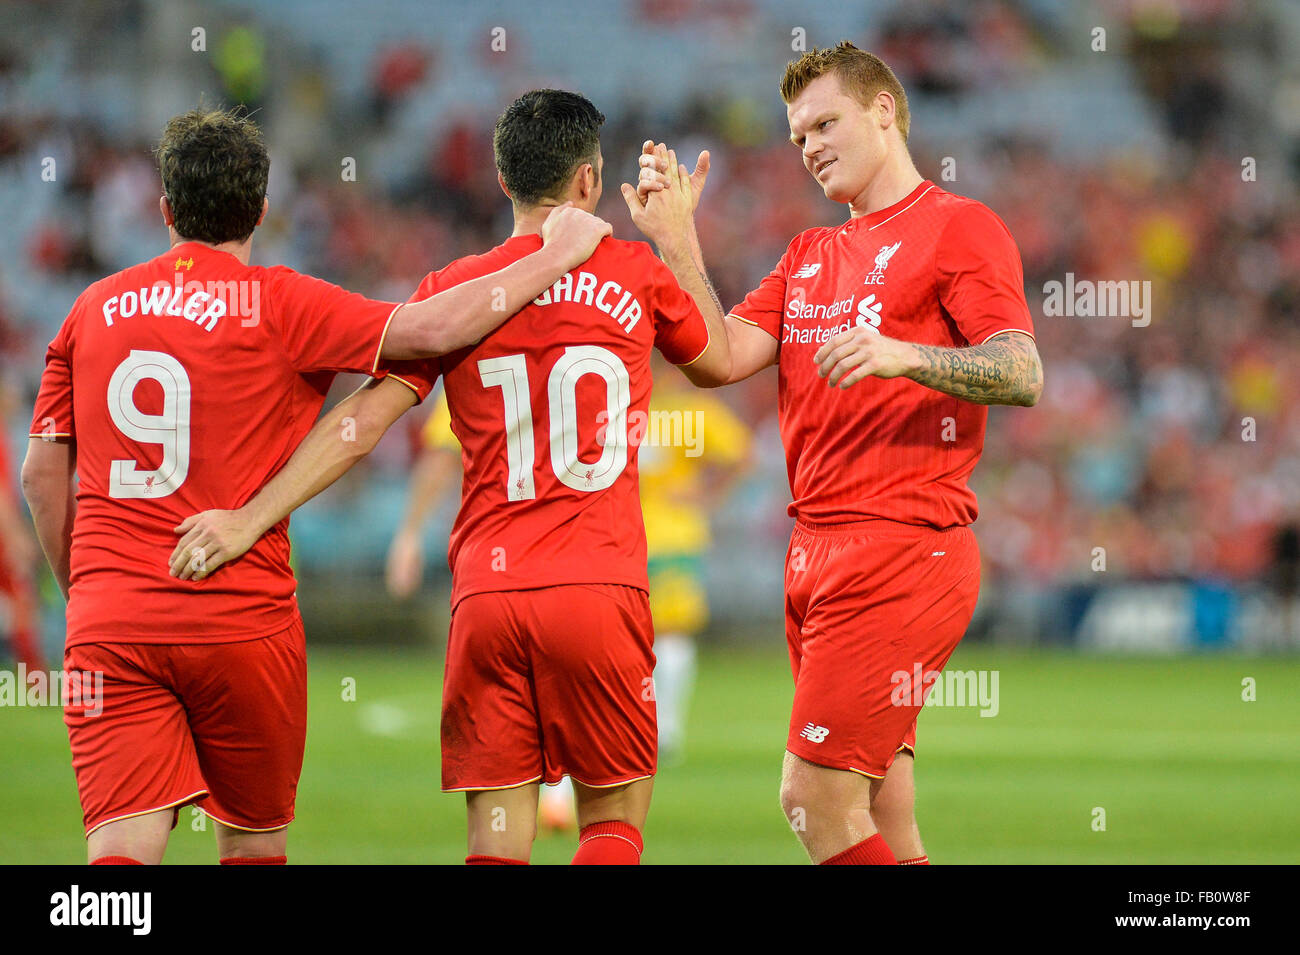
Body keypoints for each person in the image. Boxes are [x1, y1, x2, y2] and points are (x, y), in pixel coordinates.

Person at [20, 106, 609, 866]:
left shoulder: (89, 310)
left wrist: (89, 588)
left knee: (122, 848)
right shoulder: (285, 302)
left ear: (164, 209)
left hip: (114, 617)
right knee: (254, 843)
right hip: (243, 617)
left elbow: (40, 475)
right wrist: (555, 256)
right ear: (263, 209)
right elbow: (432, 330)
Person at [167, 89, 732, 865]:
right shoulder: (635, 272)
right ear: (590, 185)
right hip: (597, 588)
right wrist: (679, 239)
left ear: (502, 181)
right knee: (610, 826)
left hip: (488, 601)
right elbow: (719, 361)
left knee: (494, 846)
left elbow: (360, 424)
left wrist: (248, 517)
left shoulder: (452, 295)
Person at [635, 42, 1043, 864]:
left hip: (902, 546)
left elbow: (1022, 370)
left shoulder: (958, 227)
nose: (810, 145)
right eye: (797, 137)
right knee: (881, 807)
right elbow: (714, 360)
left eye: (825, 122)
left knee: (813, 795)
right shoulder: (807, 255)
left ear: (884, 111)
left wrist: (906, 354)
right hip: (813, 552)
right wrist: (678, 241)